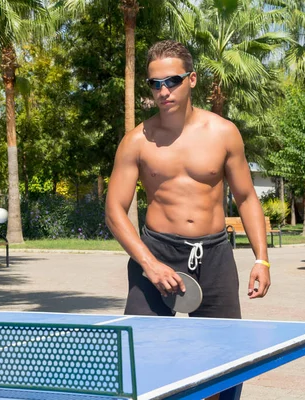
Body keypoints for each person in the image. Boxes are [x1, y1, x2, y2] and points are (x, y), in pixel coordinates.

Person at [105, 39, 270, 317]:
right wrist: (149, 263)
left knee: (222, 351)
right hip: (157, 251)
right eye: (155, 84)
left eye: (172, 80)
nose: (164, 90)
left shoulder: (223, 133)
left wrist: (262, 260)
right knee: (144, 348)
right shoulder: (136, 141)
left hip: (215, 255)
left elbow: (245, 197)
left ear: (192, 79)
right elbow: (113, 211)